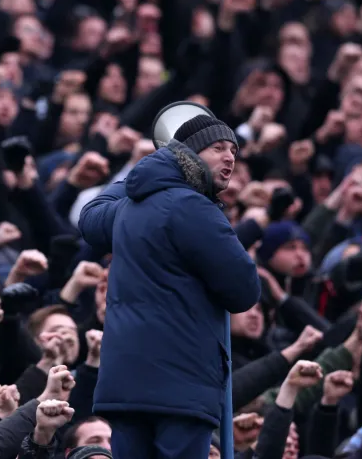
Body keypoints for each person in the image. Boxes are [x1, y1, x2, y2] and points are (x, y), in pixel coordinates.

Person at [79, 114, 261, 458]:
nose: (230, 158)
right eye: (217, 147)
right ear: (187, 154)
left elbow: (91, 217)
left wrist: (145, 168)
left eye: (234, 151)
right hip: (180, 387)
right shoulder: (193, 206)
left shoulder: (129, 208)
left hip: (125, 385)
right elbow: (244, 290)